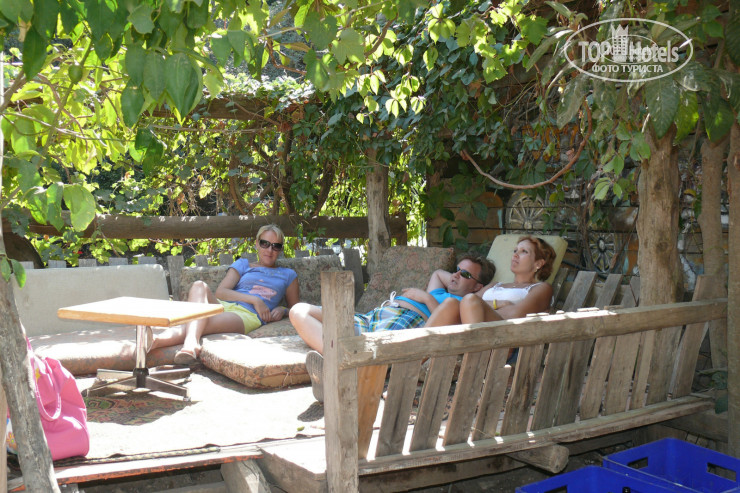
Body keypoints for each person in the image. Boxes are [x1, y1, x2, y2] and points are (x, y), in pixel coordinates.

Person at [289, 252, 495, 401]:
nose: (456, 275)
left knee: (372, 349)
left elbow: (445, 319)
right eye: (456, 271)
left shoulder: (465, 302)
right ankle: (340, 363)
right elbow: (438, 273)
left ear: (478, 287)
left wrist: (425, 297)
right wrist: (459, 275)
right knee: (299, 311)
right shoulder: (439, 290)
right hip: (373, 317)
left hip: (404, 322)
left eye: (465, 274)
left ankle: (340, 372)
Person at [148, 224, 300, 365]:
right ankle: (189, 343)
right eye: (265, 243)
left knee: (202, 322)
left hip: (247, 315)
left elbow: (296, 309)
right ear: (257, 244)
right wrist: (255, 300)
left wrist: (283, 310)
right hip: (223, 305)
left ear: (280, 249)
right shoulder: (243, 264)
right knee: (199, 285)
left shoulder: (288, 275)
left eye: (276, 246)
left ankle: (158, 341)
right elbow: (221, 292)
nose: (269, 250)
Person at [425, 236, 556, 360]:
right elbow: (463, 305)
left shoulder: (542, 288)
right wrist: (498, 304)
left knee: (470, 301)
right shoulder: (495, 285)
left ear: (538, 263)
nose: (515, 255)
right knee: (451, 303)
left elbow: (515, 315)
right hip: (473, 334)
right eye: (515, 250)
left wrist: (479, 308)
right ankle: (416, 357)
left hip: (504, 341)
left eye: (524, 252)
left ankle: (473, 363)